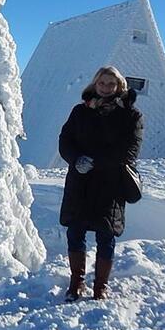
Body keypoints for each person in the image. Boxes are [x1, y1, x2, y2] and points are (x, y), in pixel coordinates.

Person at [58, 66, 143, 300]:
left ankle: (101, 286)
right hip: (80, 181)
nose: (106, 88)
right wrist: (76, 159)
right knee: (75, 232)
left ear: (120, 86)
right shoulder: (80, 111)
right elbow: (65, 140)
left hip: (110, 184)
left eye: (111, 84)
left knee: (106, 235)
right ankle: (76, 283)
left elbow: (130, 151)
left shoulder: (131, 115)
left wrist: (95, 163)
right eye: (102, 83)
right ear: (95, 84)